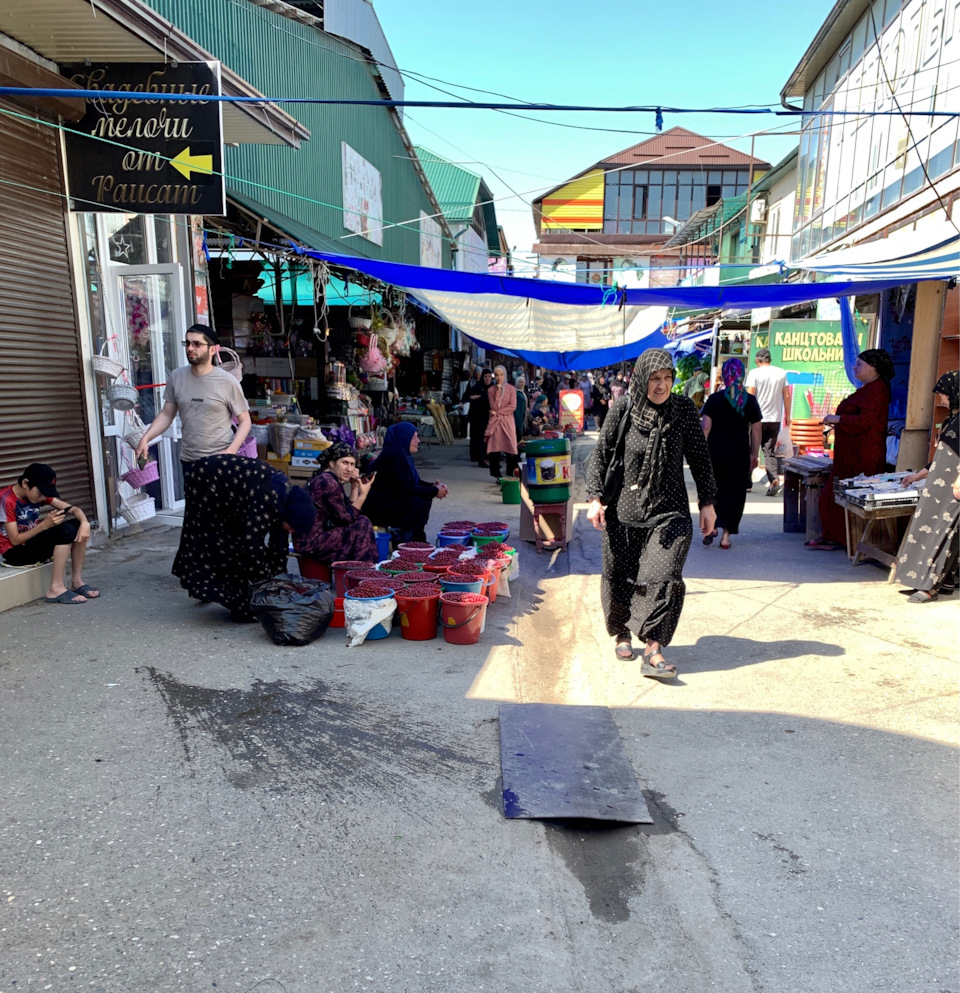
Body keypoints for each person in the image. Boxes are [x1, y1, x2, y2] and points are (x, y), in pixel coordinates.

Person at [585, 348, 717, 679]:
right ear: (643, 378)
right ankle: (624, 633)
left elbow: (701, 459)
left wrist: (708, 503)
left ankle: (654, 647)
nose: (662, 386)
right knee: (621, 575)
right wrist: (594, 498)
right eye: (655, 379)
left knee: (663, 577)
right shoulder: (624, 408)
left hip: (669, 512)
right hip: (624, 512)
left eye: (667, 378)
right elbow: (600, 455)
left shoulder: (684, 410)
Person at [172, 455, 316, 621]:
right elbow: (251, 546)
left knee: (238, 541)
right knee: (221, 543)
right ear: (290, 517)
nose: (291, 530)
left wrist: (279, 582)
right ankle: (234, 604)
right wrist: (263, 583)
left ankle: (227, 596)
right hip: (207, 481)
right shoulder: (269, 497)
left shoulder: (286, 502)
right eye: (292, 526)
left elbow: (279, 545)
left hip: (233, 492)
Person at [135, 324, 251, 478]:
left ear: (212, 349)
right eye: (187, 343)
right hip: (189, 461)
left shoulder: (228, 381)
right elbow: (166, 415)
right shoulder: (177, 377)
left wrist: (231, 450)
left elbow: (245, 421)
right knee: (193, 503)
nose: (190, 348)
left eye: (197, 344)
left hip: (221, 461)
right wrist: (146, 438)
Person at [807, 348, 895, 550]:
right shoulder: (869, 389)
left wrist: (837, 419)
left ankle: (845, 540)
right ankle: (835, 537)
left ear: (873, 368)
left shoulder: (877, 390)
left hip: (862, 455)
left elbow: (865, 421)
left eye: (859, 364)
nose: (855, 368)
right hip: (851, 454)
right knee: (836, 495)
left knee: (845, 496)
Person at [895, 371, 959, 602]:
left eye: (942, 394)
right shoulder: (953, 418)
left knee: (944, 532)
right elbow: (940, 457)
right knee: (929, 527)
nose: (941, 399)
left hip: (954, 486)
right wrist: (918, 476)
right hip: (938, 486)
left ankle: (929, 586)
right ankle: (943, 582)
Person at [1, 463, 98, 604]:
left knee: (77, 525)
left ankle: (77, 581)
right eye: (40, 493)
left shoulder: (37, 495)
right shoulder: (6, 499)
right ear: (25, 483)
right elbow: (15, 540)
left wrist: (85, 522)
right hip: (14, 553)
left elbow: (74, 509)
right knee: (65, 531)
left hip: (30, 544)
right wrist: (45, 525)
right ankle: (55, 588)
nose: (42, 498)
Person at [701, 359, 763, 549]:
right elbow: (756, 430)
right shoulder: (749, 401)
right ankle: (726, 536)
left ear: (725, 376)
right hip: (739, 454)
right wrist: (754, 454)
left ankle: (712, 526)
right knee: (735, 493)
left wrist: (700, 452)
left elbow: (705, 427)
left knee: (714, 489)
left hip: (715, 454)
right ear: (742, 375)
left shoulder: (714, 399)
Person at [294, 442, 378, 568]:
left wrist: (354, 487)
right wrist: (363, 494)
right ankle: (363, 573)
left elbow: (346, 513)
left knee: (360, 522)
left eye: (352, 464)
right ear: (332, 463)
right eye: (344, 463)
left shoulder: (329, 479)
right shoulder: (327, 482)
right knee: (362, 524)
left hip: (312, 538)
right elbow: (346, 518)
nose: (349, 469)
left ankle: (362, 571)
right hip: (310, 542)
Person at [363, 423, 448, 544]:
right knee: (416, 502)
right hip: (378, 507)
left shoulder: (403, 454)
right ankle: (406, 541)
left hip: (392, 499)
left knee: (423, 498)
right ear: (404, 438)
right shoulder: (394, 455)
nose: (418, 441)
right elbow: (406, 488)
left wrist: (433, 487)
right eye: (414, 437)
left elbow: (414, 481)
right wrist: (434, 491)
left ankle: (416, 537)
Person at [745, 347, 792, 496]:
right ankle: (773, 480)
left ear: (758, 361)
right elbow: (787, 395)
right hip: (775, 418)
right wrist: (788, 416)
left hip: (756, 419)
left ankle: (747, 484)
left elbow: (750, 395)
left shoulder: (754, 373)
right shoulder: (781, 372)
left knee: (751, 450)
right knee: (769, 452)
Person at [485, 365, 520, 479]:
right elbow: (493, 406)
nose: (499, 377)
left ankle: (510, 472)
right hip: (495, 422)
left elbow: (512, 406)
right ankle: (496, 474)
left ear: (505, 375)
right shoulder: (491, 390)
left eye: (501, 375)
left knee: (511, 446)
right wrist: (498, 391)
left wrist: (498, 413)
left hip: (507, 420)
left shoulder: (511, 389)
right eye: (497, 375)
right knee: (495, 447)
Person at [463, 368, 493, 467]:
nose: (487, 379)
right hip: (477, 416)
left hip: (489, 417)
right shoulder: (477, 386)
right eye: (485, 377)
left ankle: (487, 458)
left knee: (488, 438)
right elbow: (466, 397)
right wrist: (478, 397)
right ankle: (481, 459)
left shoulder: (493, 387)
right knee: (479, 438)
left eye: (489, 376)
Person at [514, 376, 529, 443]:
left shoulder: (523, 392)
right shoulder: (515, 393)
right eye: (520, 382)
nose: (522, 384)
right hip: (517, 413)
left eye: (523, 382)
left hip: (522, 412)